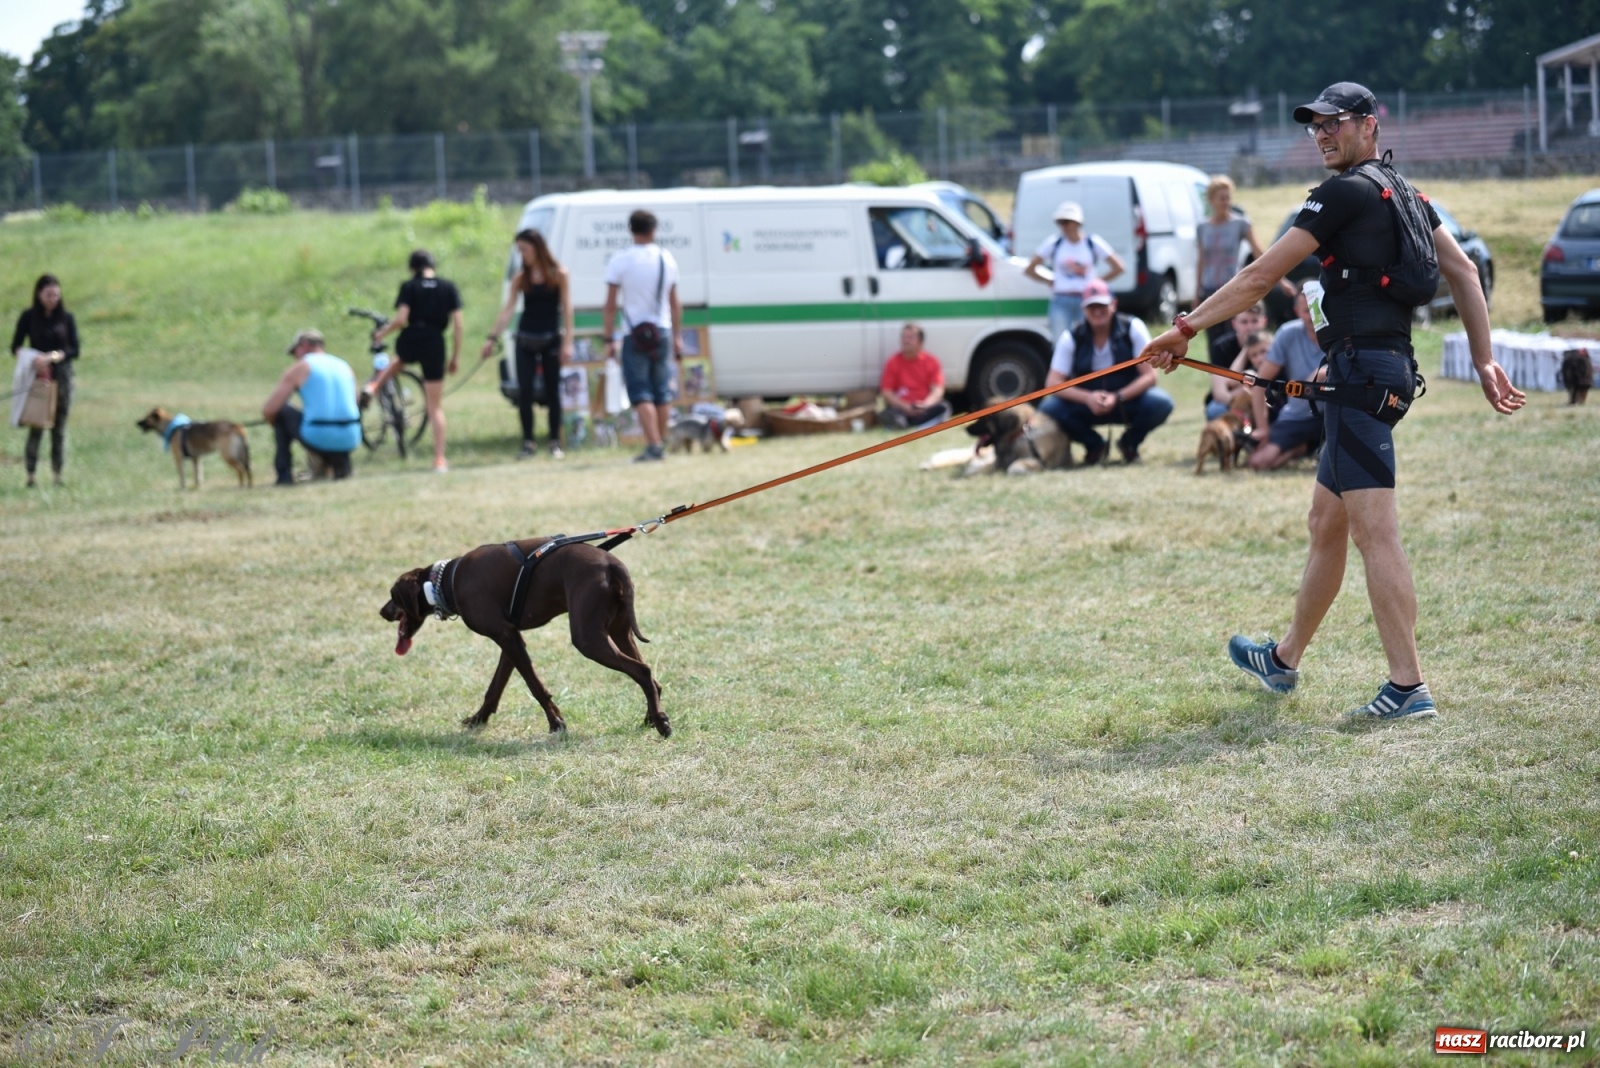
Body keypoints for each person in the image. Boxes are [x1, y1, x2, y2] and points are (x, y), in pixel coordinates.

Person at [1143, 81, 1525, 722]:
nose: (1321, 134)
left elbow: (1260, 276)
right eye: (1313, 126)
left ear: (1369, 124)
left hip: (1359, 379)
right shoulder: (1403, 191)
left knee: (1377, 532)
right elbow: (1459, 270)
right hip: (1379, 372)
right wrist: (1483, 358)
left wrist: (1184, 331)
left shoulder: (1342, 192)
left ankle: (1408, 687)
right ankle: (1285, 658)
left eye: (1334, 123)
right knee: (1328, 523)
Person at [1038, 278, 1171, 464]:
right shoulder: (1071, 337)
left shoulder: (1133, 328)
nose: (1098, 311)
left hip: (1126, 399)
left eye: (1102, 305)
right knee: (1050, 408)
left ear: (1114, 304)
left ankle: (1129, 444)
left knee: (1161, 402)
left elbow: (1150, 377)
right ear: (1083, 310)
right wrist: (1088, 398)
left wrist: (1117, 397)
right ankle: (1094, 445)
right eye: (1092, 307)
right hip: (1087, 403)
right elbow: (1052, 384)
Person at [366, 250, 463, 473]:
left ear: (412, 268)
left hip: (412, 337)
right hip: (434, 342)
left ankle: (373, 386)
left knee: (400, 360)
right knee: (435, 406)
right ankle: (439, 459)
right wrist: (455, 357)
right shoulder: (448, 287)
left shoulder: (409, 287)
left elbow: (401, 319)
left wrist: (382, 332)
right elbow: (458, 325)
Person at [483, 229, 574, 460]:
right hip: (525, 339)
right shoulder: (520, 277)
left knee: (553, 391)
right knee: (525, 393)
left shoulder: (558, 273)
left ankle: (554, 441)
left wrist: (568, 341)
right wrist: (492, 338)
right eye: (519, 250)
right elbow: (507, 311)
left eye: (525, 249)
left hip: (551, 338)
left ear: (537, 248)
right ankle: (528, 442)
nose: (522, 254)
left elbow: (566, 308)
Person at [602, 209, 683, 462]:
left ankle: (654, 444)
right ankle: (662, 441)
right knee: (661, 390)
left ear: (631, 230)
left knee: (640, 391)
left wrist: (608, 338)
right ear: (653, 230)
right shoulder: (666, 258)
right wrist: (678, 335)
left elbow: (611, 304)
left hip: (633, 332)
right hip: (662, 330)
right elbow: (674, 302)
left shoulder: (621, 260)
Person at [1195, 177, 1292, 351]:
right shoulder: (1202, 227)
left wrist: (1281, 280)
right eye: (1221, 198)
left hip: (1232, 290)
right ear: (1211, 200)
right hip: (1208, 290)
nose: (1226, 202)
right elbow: (1201, 260)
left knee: (1236, 338)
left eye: (1228, 197)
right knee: (1214, 343)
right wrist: (1196, 291)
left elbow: (1259, 253)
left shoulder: (1240, 223)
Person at [1246, 284, 1327, 472]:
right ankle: (1306, 447)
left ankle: (1319, 446)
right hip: (1297, 415)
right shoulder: (1287, 333)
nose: (1313, 317)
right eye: (1307, 311)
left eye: (1318, 309)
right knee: (1259, 462)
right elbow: (1259, 384)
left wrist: (1321, 374)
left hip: (1335, 416)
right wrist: (1263, 429)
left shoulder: (1341, 332)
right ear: (1297, 311)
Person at [264, 329, 361, 485]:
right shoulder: (344, 365)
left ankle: (284, 475)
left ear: (304, 346)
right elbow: (356, 401)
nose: (295, 357)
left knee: (282, 412)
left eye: (295, 352)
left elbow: (269, 410)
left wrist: (273, 422)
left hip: (318, 437)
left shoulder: (301, 367)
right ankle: (342, 466)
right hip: (351, 437)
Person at [10, 274, 79, 487]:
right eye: (49, 294)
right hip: (39, 378)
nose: (53, 299)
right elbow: (15, 346)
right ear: (39, 294)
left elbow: (75, 349)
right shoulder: (28, 317)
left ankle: (58, 474)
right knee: (37, 424)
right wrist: (34, 358)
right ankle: (31, 475)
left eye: (56, 295)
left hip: (63, 377)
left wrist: (54, 356)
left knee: (59, 426)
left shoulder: (66, 318)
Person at [1025, 201, 1125, 339]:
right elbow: (1029, 269)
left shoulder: (1092, 242)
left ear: (1077, 223)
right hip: (1061, 299)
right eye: (1060, 222)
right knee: (1060, 342)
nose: (1063, 226)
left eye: (1067, 221)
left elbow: (1119, 267)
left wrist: (1096, 283)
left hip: (1087, 300)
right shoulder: (1055, 242)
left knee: (1088, 341)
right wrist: (1049, 280)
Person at [878, 323, 952, 429]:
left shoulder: (931, 361)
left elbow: (938, 390)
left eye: (910, 337)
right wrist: (906, 407)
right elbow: (886, 392)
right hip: (902, 409)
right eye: (904, 337)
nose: (906, 341)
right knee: (889, 413)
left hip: (924, 408)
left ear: (920, 342)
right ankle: (911, 424)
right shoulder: (893, 362)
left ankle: (918, 424)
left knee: (944, 407)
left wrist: (925, 405)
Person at [1205, 328, 1273, 422]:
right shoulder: (1253, 371)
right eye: (1254, 355)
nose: (1260, 358)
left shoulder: (1280, 367)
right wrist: (1245, 349)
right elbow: (1232, 381)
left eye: (1263, 352)